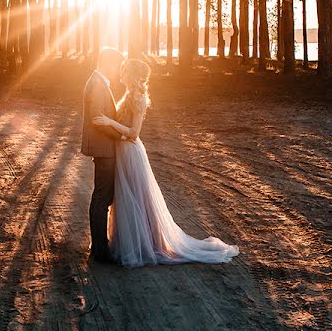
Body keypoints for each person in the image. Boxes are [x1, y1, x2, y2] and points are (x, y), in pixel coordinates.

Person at [93, 58, 239, 267]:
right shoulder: (128, 94)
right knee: (125, 199)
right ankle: (130, 242)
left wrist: (109, 122)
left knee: (137, 198)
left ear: (133, 74)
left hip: (131, 152)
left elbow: (134, 133)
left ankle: (149, 244)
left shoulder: (138, 97)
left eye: (125, 71)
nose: (121, 73)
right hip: (121, 151)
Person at [80, 47, 127, 264]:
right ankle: (100, 250)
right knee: (101, 197)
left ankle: (99, 245)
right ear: (108, 63)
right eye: (116, 65)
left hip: (103, 147)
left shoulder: (97, 81)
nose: (118, 70)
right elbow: (96, 118)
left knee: (102, 196)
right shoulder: (97, 84)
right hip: (104, 147)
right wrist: (119, 135)